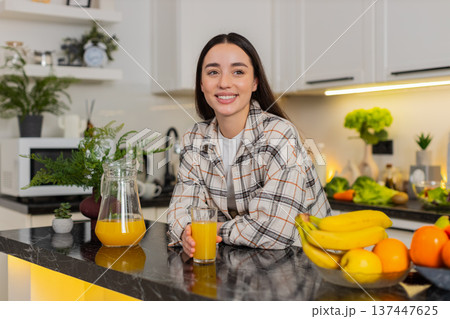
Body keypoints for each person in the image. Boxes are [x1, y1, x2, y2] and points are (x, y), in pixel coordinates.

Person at [167, 33, 330, 257]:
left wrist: (209, 229)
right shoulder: (195, 138)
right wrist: (187, 234)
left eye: (238, 72)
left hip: (307, 265)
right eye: (213, 72)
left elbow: (275, 230)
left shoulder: (278, 135)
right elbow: (179, 213)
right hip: (243, 264)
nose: (224, 83)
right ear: (202, 84)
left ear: (254, 82)